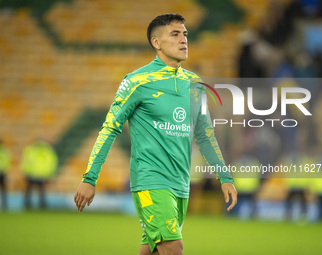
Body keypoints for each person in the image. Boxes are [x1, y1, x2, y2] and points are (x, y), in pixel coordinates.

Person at [74, 14, 237, 255]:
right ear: (156, 42)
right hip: (151, 180)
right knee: (173, 248)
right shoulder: (137, 81)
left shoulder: (195, 85)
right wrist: (90, 177)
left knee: (152, 250)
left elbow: (204, 135)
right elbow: (110, 127)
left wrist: (224, 176)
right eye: (175, 34)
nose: (184, 39)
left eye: (185, 34)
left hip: (181, 184)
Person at [21, 139, 58, 209]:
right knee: (36, 191)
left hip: (37, 174)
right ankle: (30, 204)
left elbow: (26, 162)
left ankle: (39, 205)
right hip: (36, 174)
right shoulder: (48, 151)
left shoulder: (31, 150)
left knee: (39, 191)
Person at [0, 139, 11, 210]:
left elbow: (8, 161)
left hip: (3, 172)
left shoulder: (5, 151)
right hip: (3, 171)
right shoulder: (5, 151)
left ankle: (5, 204)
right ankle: (5, 204)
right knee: (4, 189)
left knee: (4, 189)